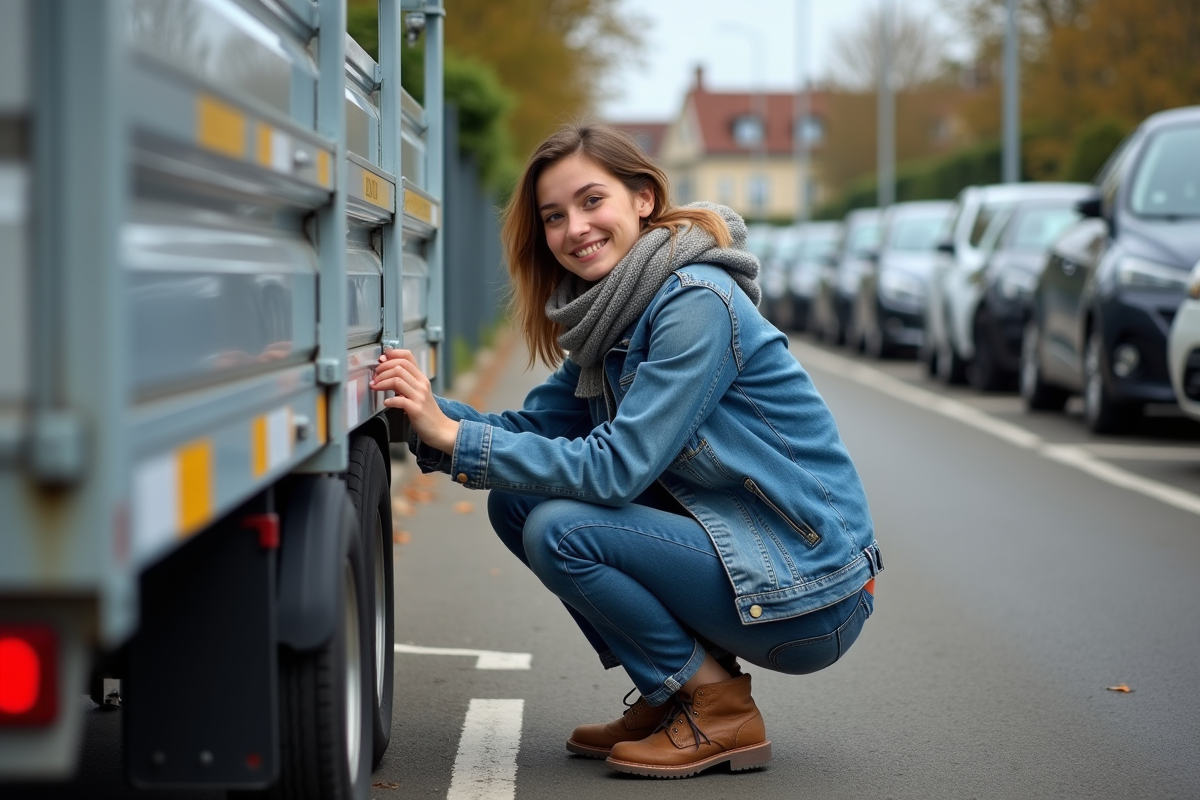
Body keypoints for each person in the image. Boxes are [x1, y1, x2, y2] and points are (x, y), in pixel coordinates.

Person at [370, 122, 882, 779]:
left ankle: (718, 707)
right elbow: (535, 428)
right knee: (516, 505)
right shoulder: (617, 315)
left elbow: (616, 469)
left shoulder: (695, 302)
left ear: (643, 198)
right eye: (554, 216)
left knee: (562, 529)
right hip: (748, 560)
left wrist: (456, 438)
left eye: (592, 201)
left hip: (809, 587)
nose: (574, 228)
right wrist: (424, 415)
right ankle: (672, 692)